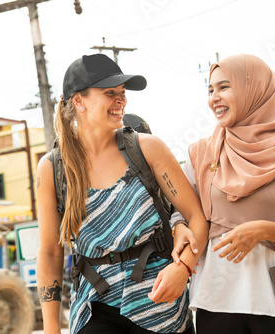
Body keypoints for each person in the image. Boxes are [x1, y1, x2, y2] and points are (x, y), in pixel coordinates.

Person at [36, 54, 207, 334]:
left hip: (160, 302)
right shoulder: (52, 168)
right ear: (78, 101)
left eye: (122, 94)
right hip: (95, 307)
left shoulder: (148, 149)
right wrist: (51, 328)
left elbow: (197, 217)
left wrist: (184, 268)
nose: (121, 101)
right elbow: (50, 252)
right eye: (109, 93)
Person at [171, 54, 275, 334]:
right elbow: (182, 211)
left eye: (224, 87)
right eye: (210, 90)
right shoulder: (200, 154)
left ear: (254, 90)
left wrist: (267, 230)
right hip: (216, 302)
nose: (214, 98)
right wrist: (179, 226)